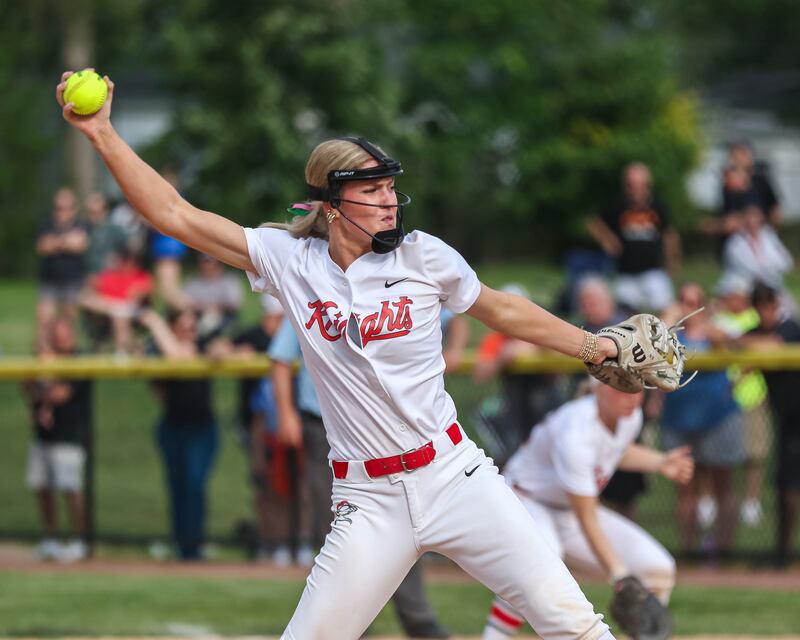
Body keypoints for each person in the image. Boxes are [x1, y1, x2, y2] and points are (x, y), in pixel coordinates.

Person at [59, 74, 623, 640]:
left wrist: (595, 346)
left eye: (390, 189)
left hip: (455, 475)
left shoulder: (423, 256)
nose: (388, 202)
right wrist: (102, 133)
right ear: (332, 205)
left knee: (572, 624)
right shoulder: (290, 261)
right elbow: (176, 215)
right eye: (371, 190)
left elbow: (501, 310)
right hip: (370, 500)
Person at [269, 308, 466, 638]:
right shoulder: (307, 291)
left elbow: (455, 315)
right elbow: (279, 357)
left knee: (405, 520)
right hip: (323, 427)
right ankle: (352, 625)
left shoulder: (384, 292)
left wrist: (456, 348)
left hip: (380, 432)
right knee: (333, 525)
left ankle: (417, 619)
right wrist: (286, 413)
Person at [480, 381, 693, 639]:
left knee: (658, 567)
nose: (631, 397)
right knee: (540, 564)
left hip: (568, 509)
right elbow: (587, 517)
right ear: (598, 388)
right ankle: (496, 635)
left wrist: (659, 461)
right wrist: (620, 576)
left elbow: (615, 450)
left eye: (636, 388)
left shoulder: (630, 417)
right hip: (525, 500)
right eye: (620, 387)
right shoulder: (576, 431)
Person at [658, 283, 744, 561]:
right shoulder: (669, 334)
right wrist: (669, 318)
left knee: (723, 485)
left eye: (695, 301)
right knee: (686, 488)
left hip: (718, 418)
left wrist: (713, 330)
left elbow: (740, 350)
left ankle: (725, 550)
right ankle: (688, 552)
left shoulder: (716, 330)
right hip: (679, 420)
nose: (689, 306)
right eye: (684, 300)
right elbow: (653, 350)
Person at [138, 307, 219, 561]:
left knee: (194, 485)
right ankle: (182, 545)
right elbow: (161, 377)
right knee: (177, 487)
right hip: (173, 427)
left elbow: (183, 356)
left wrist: (154, 322)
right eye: (183, 327)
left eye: (192, 327)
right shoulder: (159, 350)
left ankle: (194, 546)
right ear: (173, 329)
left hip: (201, 428)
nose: (189, 332)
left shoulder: (203, 345)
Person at [573, 276, 647, 521]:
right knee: (590, 483)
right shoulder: (578, 330)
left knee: (625, 488)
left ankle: (624, 537)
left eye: (595, 301)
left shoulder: (623, 330)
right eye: (585, 302)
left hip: (619, 415)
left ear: (609, 302)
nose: (590, 307)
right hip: (586, 419)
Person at [740, 282, 800, 567]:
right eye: (760, 306)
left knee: (789, 486)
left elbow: (775, 343)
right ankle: (782, 554)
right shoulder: (755, 333)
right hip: (788, 420)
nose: (765, 311)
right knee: (784, 486)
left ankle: (783, 554)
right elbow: (736, 349)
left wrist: (740, 342)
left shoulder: (790, 326)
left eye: (769, 305)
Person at [23, 317, 92, 562]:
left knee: (71, 489)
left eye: (64, 334)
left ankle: (80, 540)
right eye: (56, 334)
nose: (61, 339)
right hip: (44, 437)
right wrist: (39, 369)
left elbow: (60, 395)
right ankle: (50, 539)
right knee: (43, 488)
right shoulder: (44, 361)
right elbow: (27, 389)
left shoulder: (78, 362)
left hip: (69, 436)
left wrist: (47, 374)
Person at [473, 284, 565, 464]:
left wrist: (535, 350)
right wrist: (502, 358)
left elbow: (560, 374)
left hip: (546, 403)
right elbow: (480, 375)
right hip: (515, 407)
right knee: (515, 453)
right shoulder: (498, 340)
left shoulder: (539, 331)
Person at [586, 162, 680, 313]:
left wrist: (673, 261)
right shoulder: (618, 206)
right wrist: (607, 239)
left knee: (666, 309)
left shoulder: (658, 206)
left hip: (652, 270)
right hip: (626, 272)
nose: (635, 189)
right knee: (626, 316)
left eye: (639, 185)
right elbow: (594, 224)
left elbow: (669, 235)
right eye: (631, 185)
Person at [35, 187, 89, 348]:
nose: (63, 211)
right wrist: (67, 241)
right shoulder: (46, 224)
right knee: (44, 321)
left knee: (70, 323)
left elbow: (80, 245)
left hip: (72, 281)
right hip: (49, 280)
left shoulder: (82, 224)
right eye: (59, 207)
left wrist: (55, 242)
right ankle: (42, 358)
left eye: (67, 207)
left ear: (74, 208)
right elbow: (42, 246)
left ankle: (70, 361)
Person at [184, 253, 245, 339]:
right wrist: (206, 308)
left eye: (210, 262)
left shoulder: (230, 281)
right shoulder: (193, 282)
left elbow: (235, 304)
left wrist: (215, 308)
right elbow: (185, 303)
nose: (207, 265)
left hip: (225, 318)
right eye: (205, 262)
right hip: (198, 316)